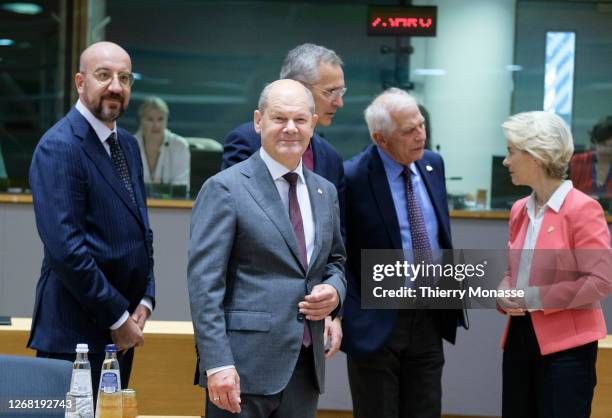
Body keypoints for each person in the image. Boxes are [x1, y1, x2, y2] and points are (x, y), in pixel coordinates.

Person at [188, 79, 346, 418]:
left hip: (304, 368)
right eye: (279, 118)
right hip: (241, 370)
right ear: (259, 121)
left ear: (313, 124)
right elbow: (205, 285)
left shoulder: (325, 192)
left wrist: (334, 291)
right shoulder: (225, 189)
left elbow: (336, 262)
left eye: (300, 120)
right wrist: (217, 364)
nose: (290, 128)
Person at [27, 41, 155, 396]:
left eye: (124, 78)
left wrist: (145, 300)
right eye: (104, 75)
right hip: (74, 337)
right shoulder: (60, 146)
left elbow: (141, 231)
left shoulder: (127, 144)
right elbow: (66, 250)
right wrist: (118, 318)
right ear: (80, 83)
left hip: (122, 334)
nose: (116, 85)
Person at [340, 88, 466, 418]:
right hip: (377, 321)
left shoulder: (433, 165)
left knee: (426, 409)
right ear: (381, 139)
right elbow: (339, 254)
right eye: (408, 131)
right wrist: (352, 316)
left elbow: (440, 236)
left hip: (428, 315)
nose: (420, 135)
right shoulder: (352, 176)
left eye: (421, 125)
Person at [221, 43, 346, 358]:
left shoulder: (330, 158)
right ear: (300, 88)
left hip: (309, 334)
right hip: (254, 333)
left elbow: (335, 251)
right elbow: (228, 246)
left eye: (342, 91)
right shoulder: (245, 143)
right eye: (331, 91)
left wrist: (334, 308)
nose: (339, 102)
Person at [499, 111, 612, 418]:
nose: (506, 161)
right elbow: (513, 272)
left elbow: (600, 281)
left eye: (511, 152)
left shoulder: (583, 209)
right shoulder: (519, 209)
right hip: (519, 341)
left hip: (567, 351)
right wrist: (503, 291)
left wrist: (533, 297)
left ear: (536, 156)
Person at [134, 96, 190, 192]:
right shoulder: (129, 145)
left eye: (160, 119)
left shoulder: (179, 146)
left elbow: (182, 187)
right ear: (141, 121)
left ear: (166, 120)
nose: (156, 125)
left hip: (171, 205)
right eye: (150, 119)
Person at [570, 115, 612, 203]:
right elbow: (565, 196)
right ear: (595, 141)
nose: (608, 150)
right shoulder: (577, 161)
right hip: (579, 212)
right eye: (603, 144)